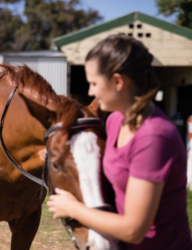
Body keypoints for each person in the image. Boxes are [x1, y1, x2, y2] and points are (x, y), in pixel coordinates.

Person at [47, 34, 192, 249]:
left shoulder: (154, 137)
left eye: (94, 83)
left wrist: (73, 209)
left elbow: (134, 230)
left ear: (117, 82)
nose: (90, 92)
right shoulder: (115, 120)